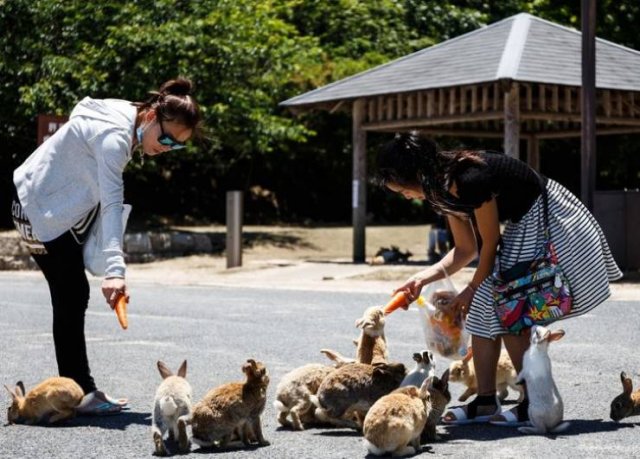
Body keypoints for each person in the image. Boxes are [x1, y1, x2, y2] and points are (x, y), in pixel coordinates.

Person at [375, 132, 622, 427]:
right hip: (524, 221)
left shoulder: (468, 178)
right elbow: (466, 250)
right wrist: (421, 279)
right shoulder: (440, 190)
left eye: (403, 189)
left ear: (416, 174)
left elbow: (489, 244)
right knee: (482, 307)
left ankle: (532, 401)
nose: (405, 196)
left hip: (546, 216)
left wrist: (469, 289)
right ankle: (485, 400)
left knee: (511, 308)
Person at [11, 78, 201, 415]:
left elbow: (81, 109)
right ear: (152, 115)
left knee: (71, 291)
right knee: (72, 291)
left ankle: (78, 389)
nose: (167, 147)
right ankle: (80, 393)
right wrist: (115, 271)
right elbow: (113, 203)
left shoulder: (129, 113)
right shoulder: (114, 138)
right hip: (36, 207)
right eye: (167, 138)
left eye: (178, 146)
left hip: (52, 202)